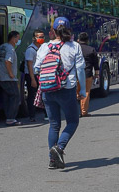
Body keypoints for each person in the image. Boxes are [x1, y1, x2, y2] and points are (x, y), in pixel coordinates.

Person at [33, 18, 85, 170]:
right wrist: (82, 90)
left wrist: (48, 80)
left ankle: (52, 161)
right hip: (66, 89)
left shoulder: (44, 47)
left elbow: (37, 69)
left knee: (54, 125)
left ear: (53, 31)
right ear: (69, 30)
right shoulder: (74, 46)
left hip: (47, 90)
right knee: (73, 121)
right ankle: (59, 148)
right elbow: (80, 70)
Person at [0, 31, 21, 126]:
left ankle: (8, 117)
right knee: (15, 96)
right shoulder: (10, 49)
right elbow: (8, 61)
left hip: (2, 77)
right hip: (9, 78)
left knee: (7, 98)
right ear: (13, 38)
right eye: (17, 38)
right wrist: (11, 74)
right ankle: (11, 118)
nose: (18, 40)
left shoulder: (3, 47)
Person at [22, 31, 44, 122]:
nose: (41, 38)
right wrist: (32, 79)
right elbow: (29, 65)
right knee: (32, 96)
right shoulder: (30, 50)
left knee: (43, 94)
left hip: (40, 74)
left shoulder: (42, 48)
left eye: (42, 36)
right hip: (32, 75)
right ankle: (32, 115)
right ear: (34, 38)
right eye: (39, 37)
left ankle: (46, 114)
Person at [77, 32, 97, 117]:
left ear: (78, 40)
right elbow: (96, 63)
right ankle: (84, 111)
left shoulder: (75, 49)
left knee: (76, 92)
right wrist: (96, 73)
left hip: (76, 74)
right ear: (87, 40)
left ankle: (75, 111)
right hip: (87, 74)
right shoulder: (91, 49)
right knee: (86, 92)